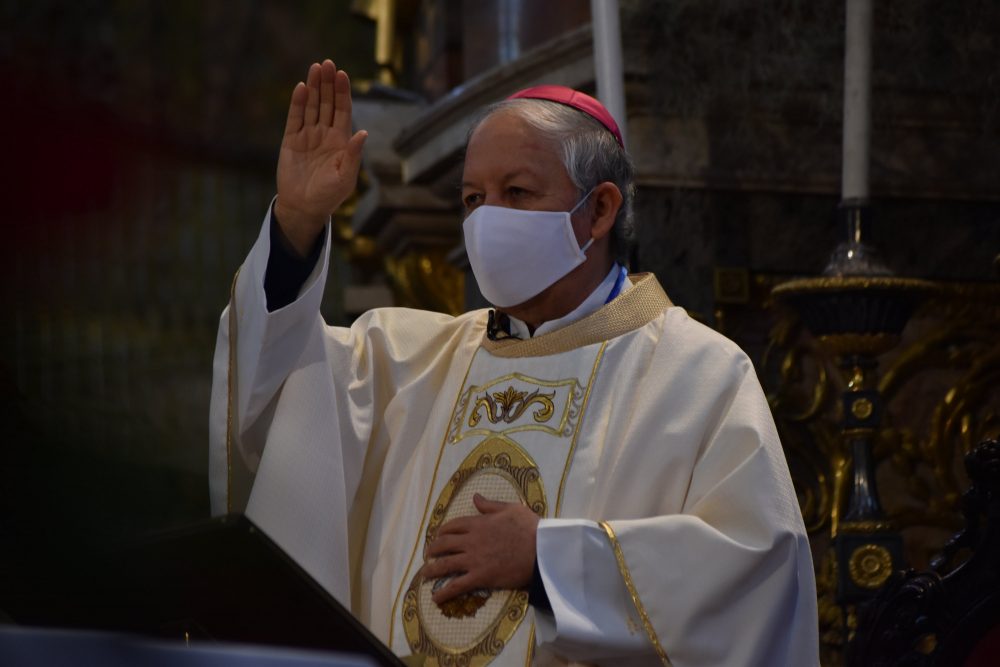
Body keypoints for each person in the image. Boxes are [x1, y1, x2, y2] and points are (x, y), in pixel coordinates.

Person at [209, 59, 819, 666]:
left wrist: (549, 560)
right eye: (473, 198)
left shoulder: (696, 375)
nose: (486, 219)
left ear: (599, 210)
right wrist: (297, 222)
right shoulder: (408, 361)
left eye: (517, 193)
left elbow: (755, 571)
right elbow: (280, 388)